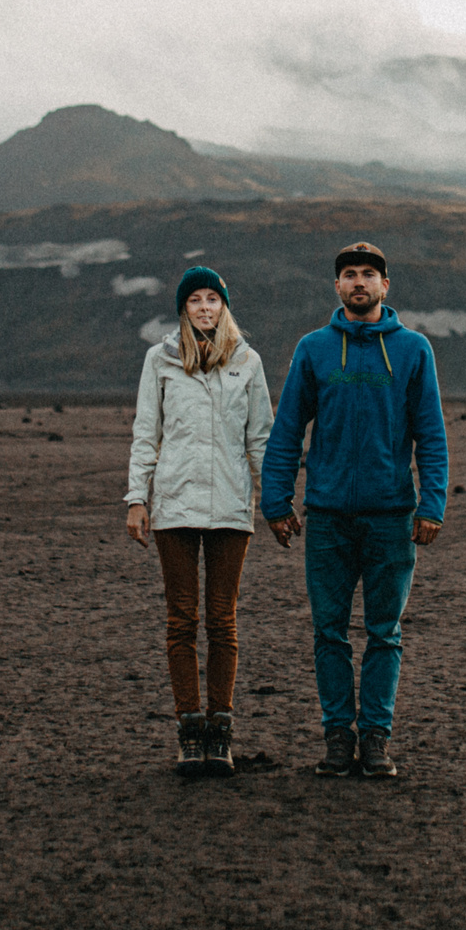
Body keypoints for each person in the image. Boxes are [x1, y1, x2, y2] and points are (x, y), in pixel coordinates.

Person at [259, 241, 448, 780]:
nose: (359, 282)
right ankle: (338, 737)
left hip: (391, 517)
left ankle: (376, 739)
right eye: (349, 274)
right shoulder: (314, 349)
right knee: (330, 632)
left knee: (385, 631)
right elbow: (289, 428)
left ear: (385, 286)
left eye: (369, 274)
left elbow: (430, 434)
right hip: (328, 518)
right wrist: (276, 501)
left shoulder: (413, 350)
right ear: (337, 286)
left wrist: (431, 504)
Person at [125, 265, 273, 778]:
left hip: (231, 507)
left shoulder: (247, 363)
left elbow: (260, 440)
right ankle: (190, 730)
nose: (205, 307)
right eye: (195, 300)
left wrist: (274, 502)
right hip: (175, 508)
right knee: (182, 620)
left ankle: (220, 731)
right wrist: (136, 498)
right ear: (183, 309)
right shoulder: (160, 361)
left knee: (223, 620)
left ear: (225, 306)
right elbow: (148, 431)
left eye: (213, 298)